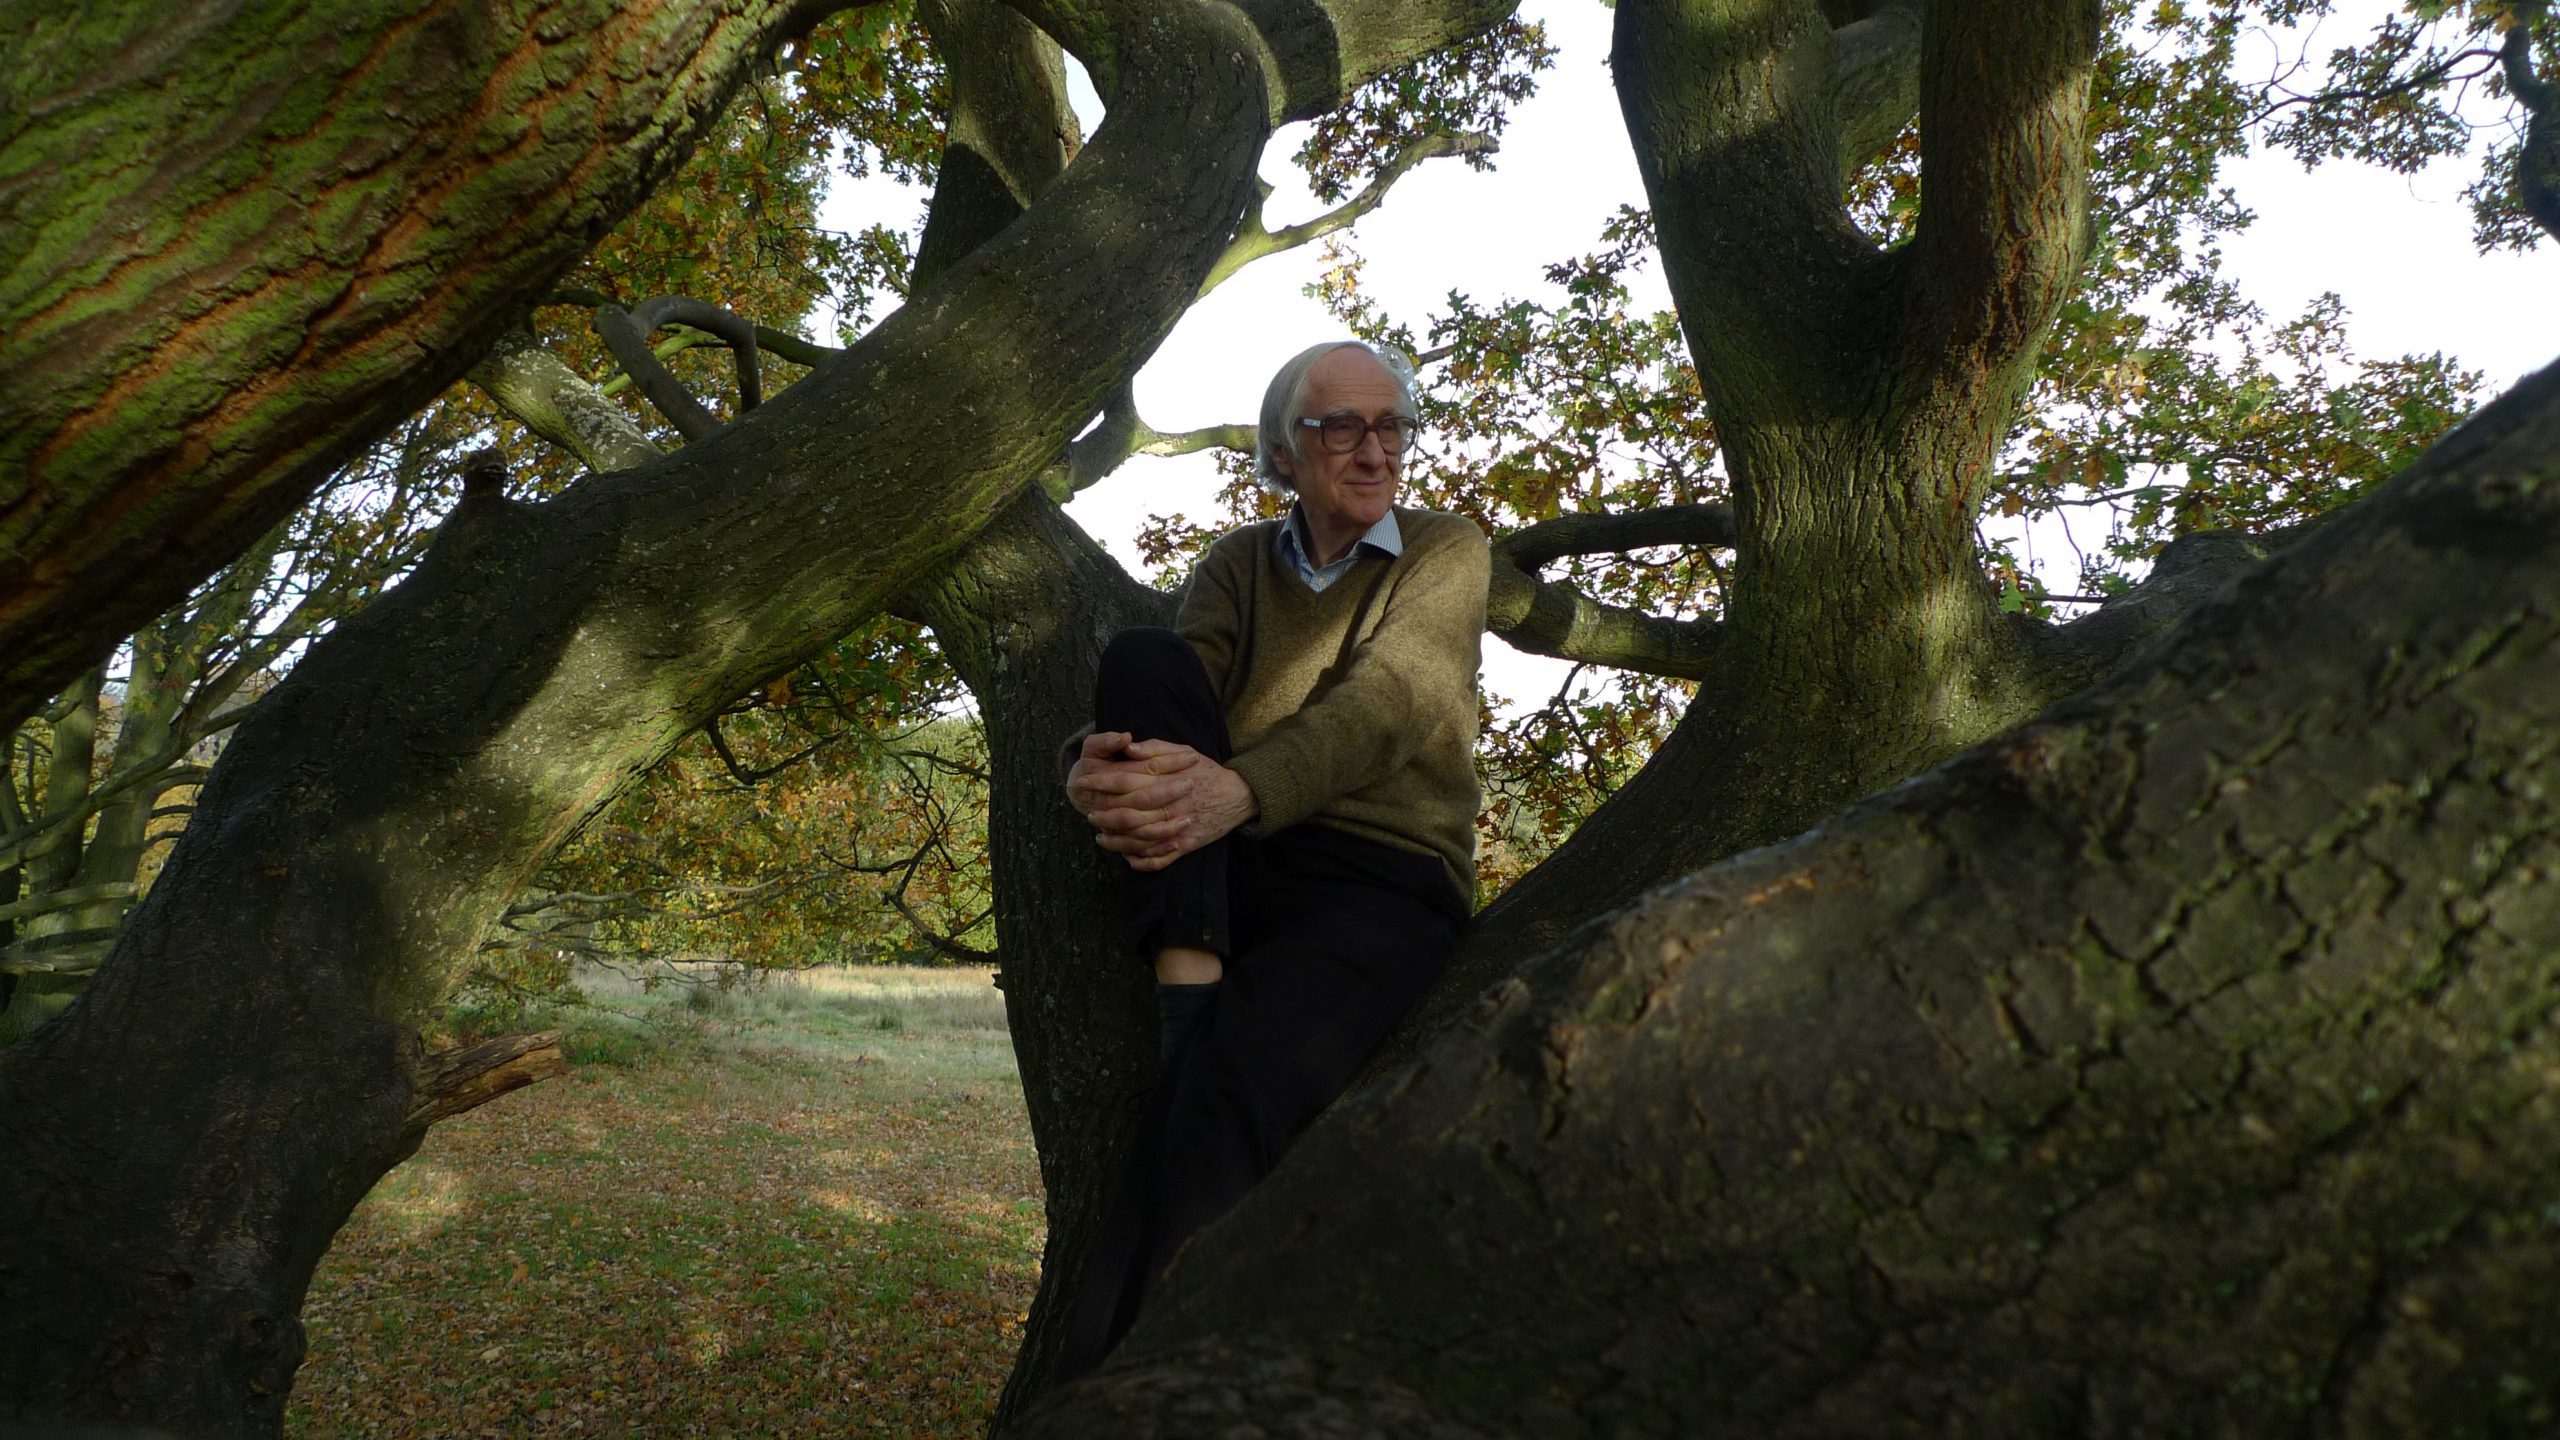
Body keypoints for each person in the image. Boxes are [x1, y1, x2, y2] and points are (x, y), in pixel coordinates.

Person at [1054, 339, 1490, 1376]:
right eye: (1341, 425)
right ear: (1282, 453)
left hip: (1379, 875)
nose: (1374, 449)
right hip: (1235, 859)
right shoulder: (1237, 564)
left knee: (1222, 1100)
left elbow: (1396, 703)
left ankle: (1120, 1391)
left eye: (1391, 425)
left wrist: (1241, 788)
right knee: (1142, 659)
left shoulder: (1445, 550)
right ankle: (1188, 979)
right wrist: (1081, 765)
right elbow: (1181, 701)